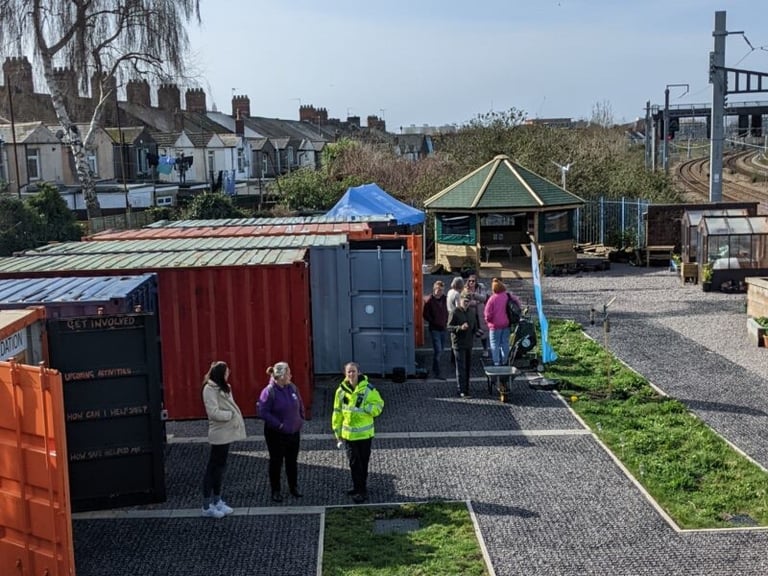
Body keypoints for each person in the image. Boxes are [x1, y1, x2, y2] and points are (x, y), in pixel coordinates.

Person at [332, 362, 384, 503]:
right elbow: (337, 412)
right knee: (354, 463)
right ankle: (359, 489)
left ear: (359, 372)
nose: (351, 374)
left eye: (353, 371)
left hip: (365, 435)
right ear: (345, 374)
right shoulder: (341, 391)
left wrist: (368, 409)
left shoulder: (368, 389)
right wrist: (337, 432)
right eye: (349, 372)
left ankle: (361, 489)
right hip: (349, 435)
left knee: (363, 463)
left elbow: (379, 405)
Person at [201, 360, 246, 519]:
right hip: (219, 433)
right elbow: (213, 412)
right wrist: (230, 416)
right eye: (227, 372)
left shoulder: (223, 387)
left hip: (226, 432)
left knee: (220, 468)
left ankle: (217, 500)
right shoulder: (209, 389)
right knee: (213, 468)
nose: (229, 374)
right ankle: (207, 505)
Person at [258, 361, 306, 503]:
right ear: (282, 375)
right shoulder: (269, 391)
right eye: (288, 373)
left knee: (292, 461)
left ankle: (293, 487)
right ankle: (276, 490)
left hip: (293, 432)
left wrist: (301, 417)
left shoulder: (292, 387)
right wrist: (279, 425)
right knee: (276, 462)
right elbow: (263, 412)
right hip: (276, 434)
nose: (291, 375)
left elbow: (300, 403)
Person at [484, 278, 523, 366]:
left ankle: (496, 362)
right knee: (505, 343)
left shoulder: (492, 299)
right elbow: (517, 302)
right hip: (506, 324)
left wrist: (488, 321)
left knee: (495, 344)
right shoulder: (508, 296)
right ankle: (505, 361)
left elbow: (487, 314)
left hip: (494, 325)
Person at [447, 290, 479, 397]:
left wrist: (477, 331)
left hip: (468, 343)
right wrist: (460, 328)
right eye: (465, 301)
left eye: (468, 301)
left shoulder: (471, 312)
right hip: (458, 344)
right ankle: (461, 390)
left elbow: (474, 326)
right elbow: (448, 327)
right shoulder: (454, 312)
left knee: (468, 367)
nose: (466, 303)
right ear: (460, 300)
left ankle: (467, 388)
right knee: (461, 368)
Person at [422, 280, 448, 380]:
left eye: (441, 290)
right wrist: (433, 321)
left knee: (441, 349)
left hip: (443, 328)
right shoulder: (429, 301)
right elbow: (425, 314)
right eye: (438, 289)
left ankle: (434, 368)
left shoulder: (445, 299)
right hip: (434, 329)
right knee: (438, 350)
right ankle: (437, 371)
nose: (439, 291)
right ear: (434, 289)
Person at [465, 274, 490, 358]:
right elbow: (465, 302)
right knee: (470, 333)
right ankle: (470, 350)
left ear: (476, 282)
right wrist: (476, 302)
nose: (471, 282)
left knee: (483, 333)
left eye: (473, 281)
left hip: (480, 314)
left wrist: (473, 294)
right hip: (470, 315)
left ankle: (485, 349)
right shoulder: (465, 289)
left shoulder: (481, 287)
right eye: (470, 281)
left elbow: (484, 298)